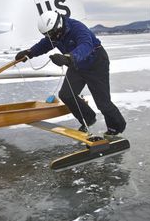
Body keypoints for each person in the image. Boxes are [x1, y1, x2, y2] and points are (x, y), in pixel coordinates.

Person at [15, 11, 126, 140]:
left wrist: (68, 58)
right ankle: (88, 118)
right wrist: (29, 53)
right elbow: (44, 45)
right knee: (66, 94)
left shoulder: (77, 28)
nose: (51, 37)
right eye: (48, 35)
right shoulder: (54, 34)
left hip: (95, 63)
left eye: (51, 34)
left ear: (59, 25)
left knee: (103, 102)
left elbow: (86, 45)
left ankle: (115, 128)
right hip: (76, 65)